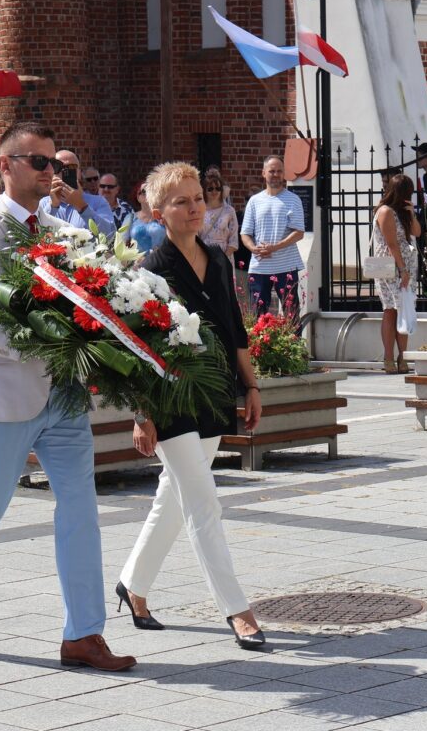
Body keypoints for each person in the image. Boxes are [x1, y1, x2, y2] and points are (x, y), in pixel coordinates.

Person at [0, 120, 135, 672]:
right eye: (39, 162)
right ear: (5, 166)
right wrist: (24, 343)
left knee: (82, 510)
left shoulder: (60, 231)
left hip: (62, 395)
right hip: (0, 394)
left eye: (55, 165)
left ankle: (83, 634)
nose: (50, 173)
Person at [119, 162, 266, 650]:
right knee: (204, 502)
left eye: (198, 197)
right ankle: (237, 609)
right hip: (170, 399)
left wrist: (252, 387)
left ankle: (133, 586)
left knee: (173, 498)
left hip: (215, 391)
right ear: (159, 212)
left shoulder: (219, 260)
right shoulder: (149, 271)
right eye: (181, 201)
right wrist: (142, 414)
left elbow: (234, 329)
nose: (194, 207)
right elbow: (135, 348)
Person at [240, 155, 304, 317]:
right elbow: (245, 233)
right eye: (272, 171)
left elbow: (298, 233)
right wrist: (254, 249)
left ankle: (293, 343)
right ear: (263, 173)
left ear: (284, 174)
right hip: (259, 267)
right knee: (258, 315)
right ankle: (260, 344)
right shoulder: (254, 201)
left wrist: (274, 247)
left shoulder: (293, 199)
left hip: (286, 266)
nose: (275, 174)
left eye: (279, 171)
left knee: (291, 315)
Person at [374, 175, 422, 374]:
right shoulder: (385, 211)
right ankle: (388, 357)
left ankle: (403, 357)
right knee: (391, 310)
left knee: (404, 309)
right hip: (391, 268)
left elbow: (417, 233)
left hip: (405, 268)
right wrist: (402, 270)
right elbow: (392, 244)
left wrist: (411, 214)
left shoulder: (402, 212)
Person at [38, 150, 117, 239]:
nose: (65, 171)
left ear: (79, 172)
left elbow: (110, 235)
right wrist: (53, 206)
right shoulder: (42, 203)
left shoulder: (98, 202)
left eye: (71, 167)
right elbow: (36, 237)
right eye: (58, 167)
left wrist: (81, 206)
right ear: (52, 172)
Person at [200, 169, 239, 266]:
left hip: (224, 255)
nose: (214, 191)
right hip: (204, 256)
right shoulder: (199, 210)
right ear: (204, 190)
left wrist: (223, 259)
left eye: (218, 188)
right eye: (210, 188)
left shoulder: (229, 211)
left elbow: (234, 239)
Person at [125, 185, 166, 254]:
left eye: (151, 191)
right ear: (138, 197)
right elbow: (123, 244)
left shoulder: (164, 217)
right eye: (144, 191)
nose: (148, 194)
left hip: (161, 261)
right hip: (137, 262)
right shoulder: (130, 218)